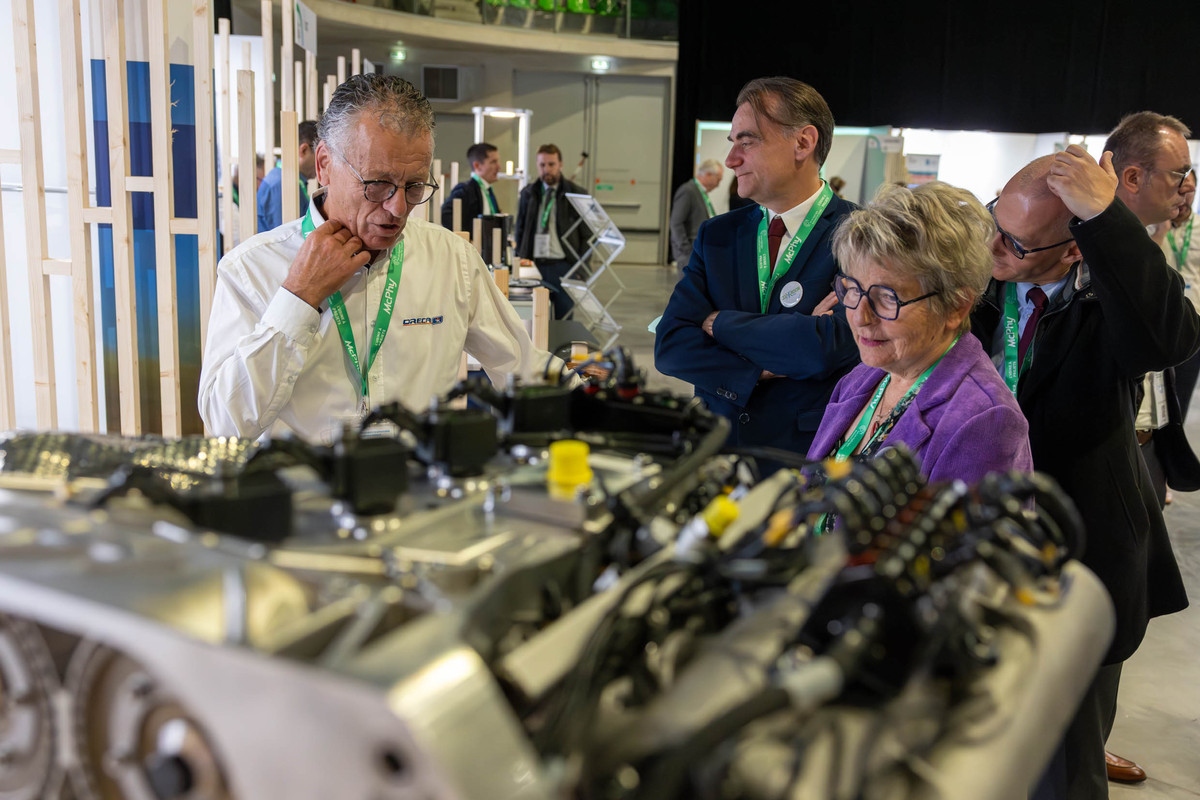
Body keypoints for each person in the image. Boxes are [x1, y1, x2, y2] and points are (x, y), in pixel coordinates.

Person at [970, 125, 1198, 799]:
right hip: (979, 548)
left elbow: (1169, 337)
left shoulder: (1110, 302)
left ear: (1074, 246)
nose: (993, 250)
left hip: (1080, 554)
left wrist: (1107, 219)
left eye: (1015, 243)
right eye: (994, 224)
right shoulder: (976, 286)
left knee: (1066, 764)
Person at [199, 75, 562, 444]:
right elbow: (225, 424)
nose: (398, 207)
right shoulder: (251, 269)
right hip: (304, 494)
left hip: (420, 490)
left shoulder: (453, 261)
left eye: (414, 186)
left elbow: (522, 366)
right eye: (377, 184)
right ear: (324, 164)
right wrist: (298, 298)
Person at [654, 76, 859, 461]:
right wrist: (764, 364)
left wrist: (717, 323)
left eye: (746, 142)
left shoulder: (861, 236)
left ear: (803, 143)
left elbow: (824, 348)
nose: (731, 160)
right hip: (716, 455)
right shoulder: (717, 235)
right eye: (733, 144)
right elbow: (671, 346)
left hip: (803, 462)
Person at [807, 182, 1031, 482]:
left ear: (956, 307)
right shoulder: (861, 378)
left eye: (887, 297)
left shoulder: (985, 420)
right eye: (854, 289)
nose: (860, 317)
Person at [514, 143, 588, 319]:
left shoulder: (576, 194)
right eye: (542, 165)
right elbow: (520, 229)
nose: (547, 169)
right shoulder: (528, 193)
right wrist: (519, 261)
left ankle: (562, 348)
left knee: (564, 318)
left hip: (564, 266)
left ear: (560, 164)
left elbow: (587, 236)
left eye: (551, 164)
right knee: (536, 318)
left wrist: (580, 269)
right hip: (534, 266)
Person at [257, 120, 318, 233]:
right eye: (320, 154)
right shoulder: (280, 184)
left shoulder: (289, 180)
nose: (324, 163)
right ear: (303, 150)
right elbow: (285, 238)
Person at [669, 159, 723, 266]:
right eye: (718, 179)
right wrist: (686, 250)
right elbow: (676, 223)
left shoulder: (700, 192)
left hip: (699, 252)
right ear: (708, 175)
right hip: (689, 254)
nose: (718, 184)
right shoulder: (688, 191)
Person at [441, 142, 501, 231]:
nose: (499, 167)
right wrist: (465, 238)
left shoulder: (487, 190)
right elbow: (446, 214)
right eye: (493, 162)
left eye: (497, 161)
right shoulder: (466, 190)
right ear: (477, 166)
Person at [230, 154, 265, 247]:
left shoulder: (246, 196)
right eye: (260, 180)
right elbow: (238, 240)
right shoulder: (228, 202)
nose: (261, 186)